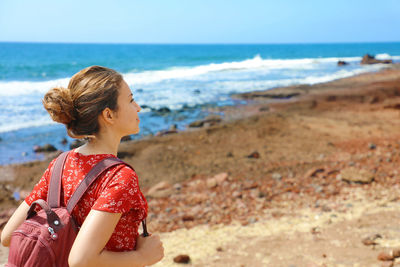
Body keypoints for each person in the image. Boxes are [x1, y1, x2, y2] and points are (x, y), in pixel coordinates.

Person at [0, 66, 164, 267]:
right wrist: (143, 257)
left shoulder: (60, 165)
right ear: (108, 115)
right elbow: (80, 260)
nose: (137, 107)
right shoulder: (119, 176)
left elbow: (8, 236)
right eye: (130, 100)